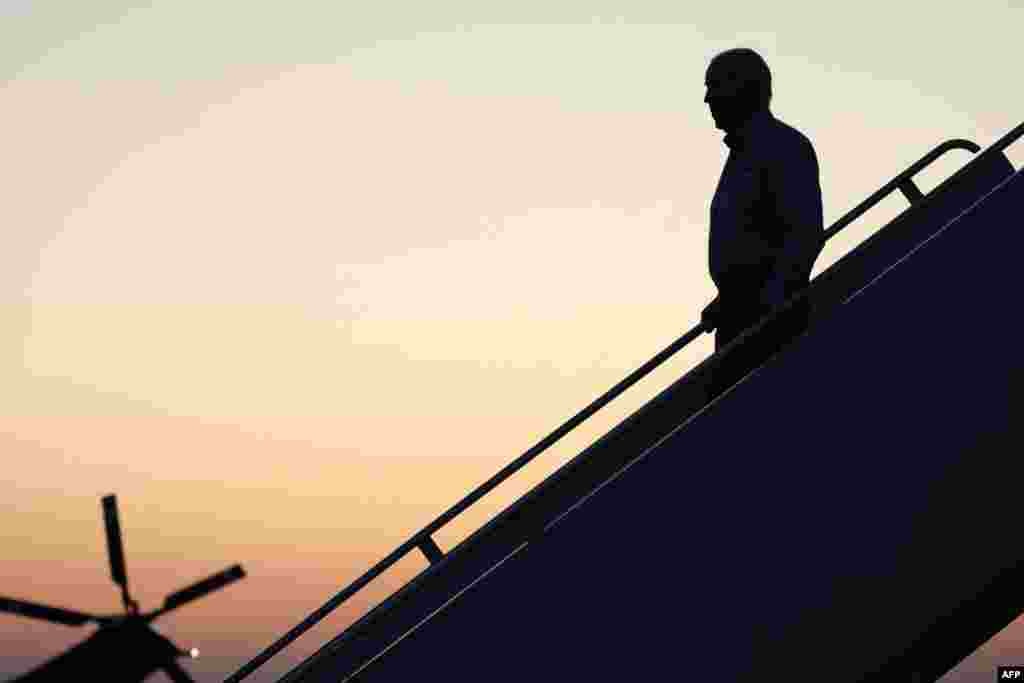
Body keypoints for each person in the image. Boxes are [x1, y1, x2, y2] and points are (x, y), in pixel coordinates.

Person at [700, 48, 824, 354]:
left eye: (715, 86)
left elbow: (803, 233)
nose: (707, 99)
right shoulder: (746, 152)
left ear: (743, 86)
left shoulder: (783, 147)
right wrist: (727, 297)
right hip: (741, 318)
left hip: (767, 324)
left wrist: (773, 301)